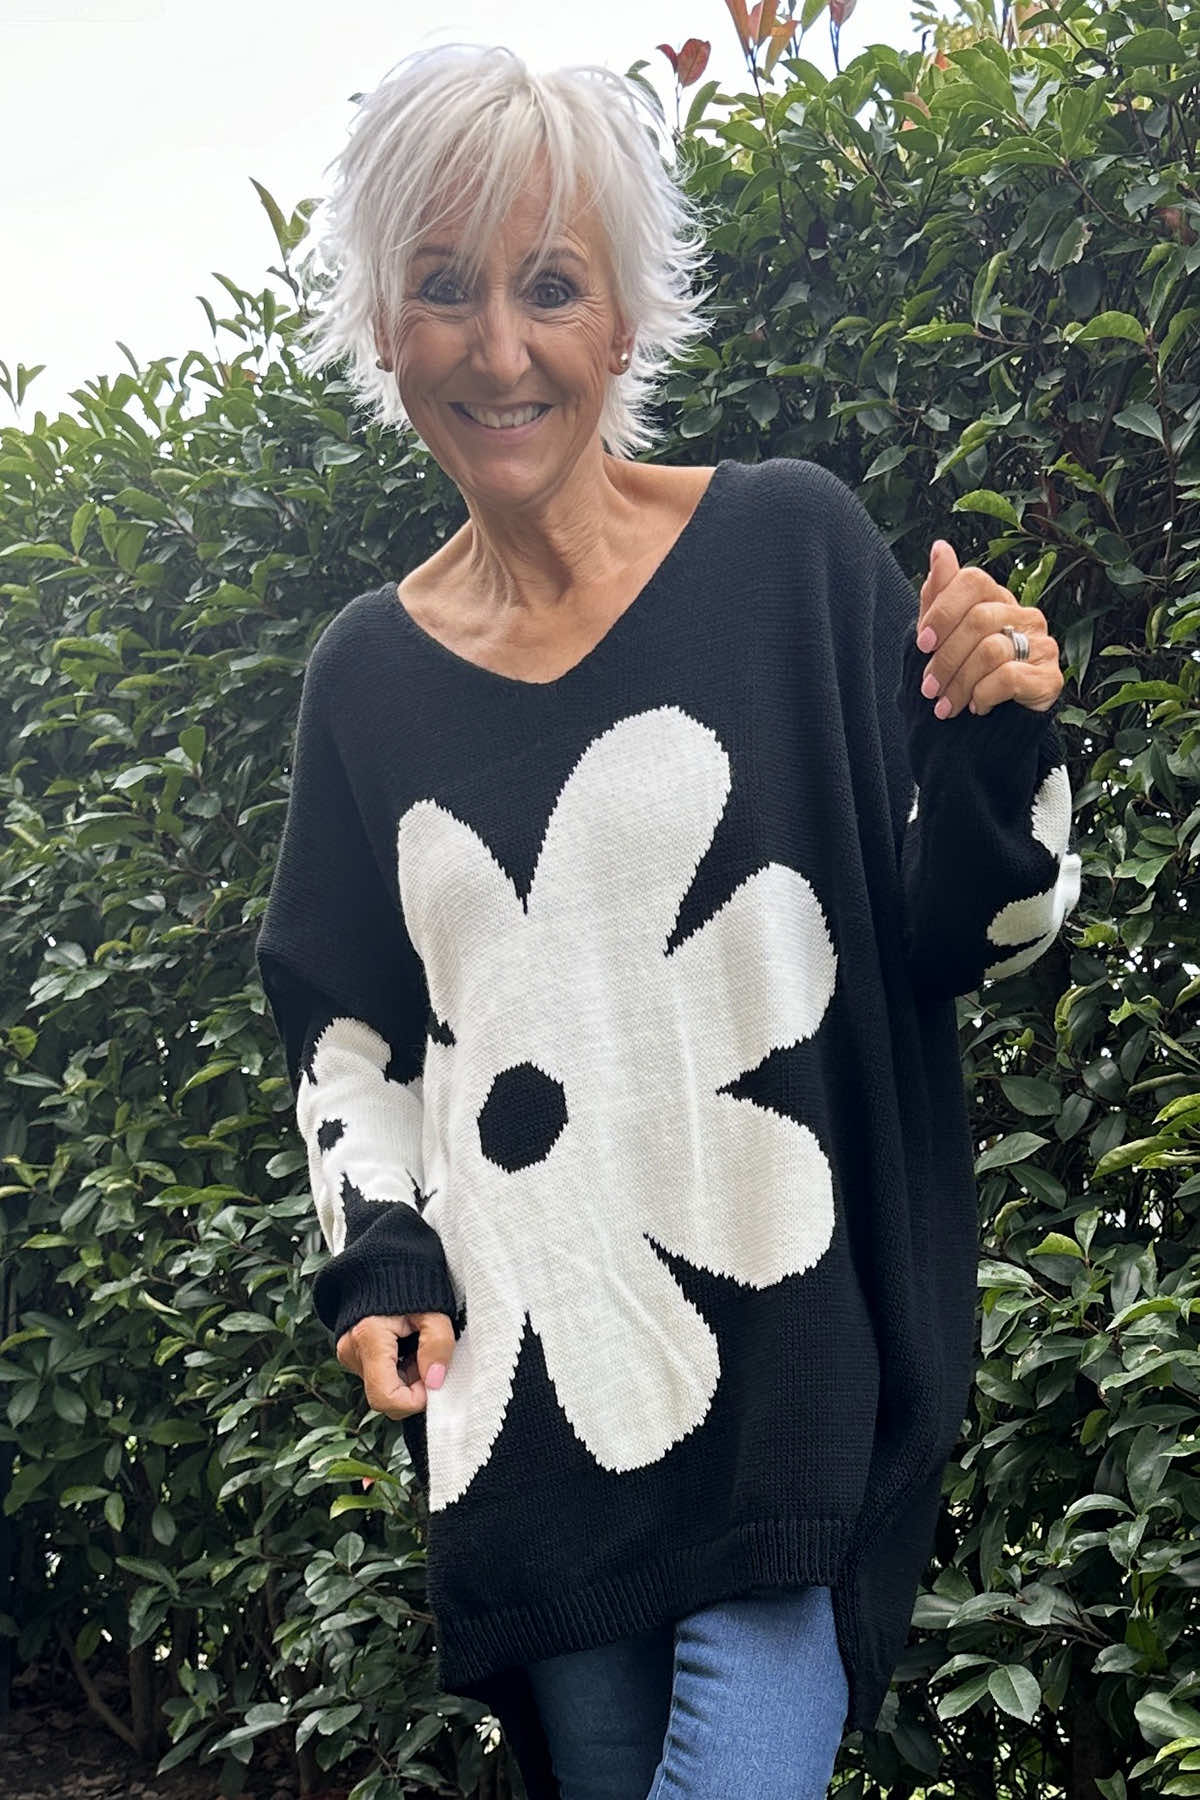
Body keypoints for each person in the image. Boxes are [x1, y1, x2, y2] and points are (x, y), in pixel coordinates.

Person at [254, 41, 1083, 1800]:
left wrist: (1001, 741)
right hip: (532, 1413)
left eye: (550, 286)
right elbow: (344, 1027)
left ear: (625, 320)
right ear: (384, 329)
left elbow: (975, 937)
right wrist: (380, 1256)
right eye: (443, 288)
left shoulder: (793, 554)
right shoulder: (363, 682)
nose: (499, 348)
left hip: (789, 1382)